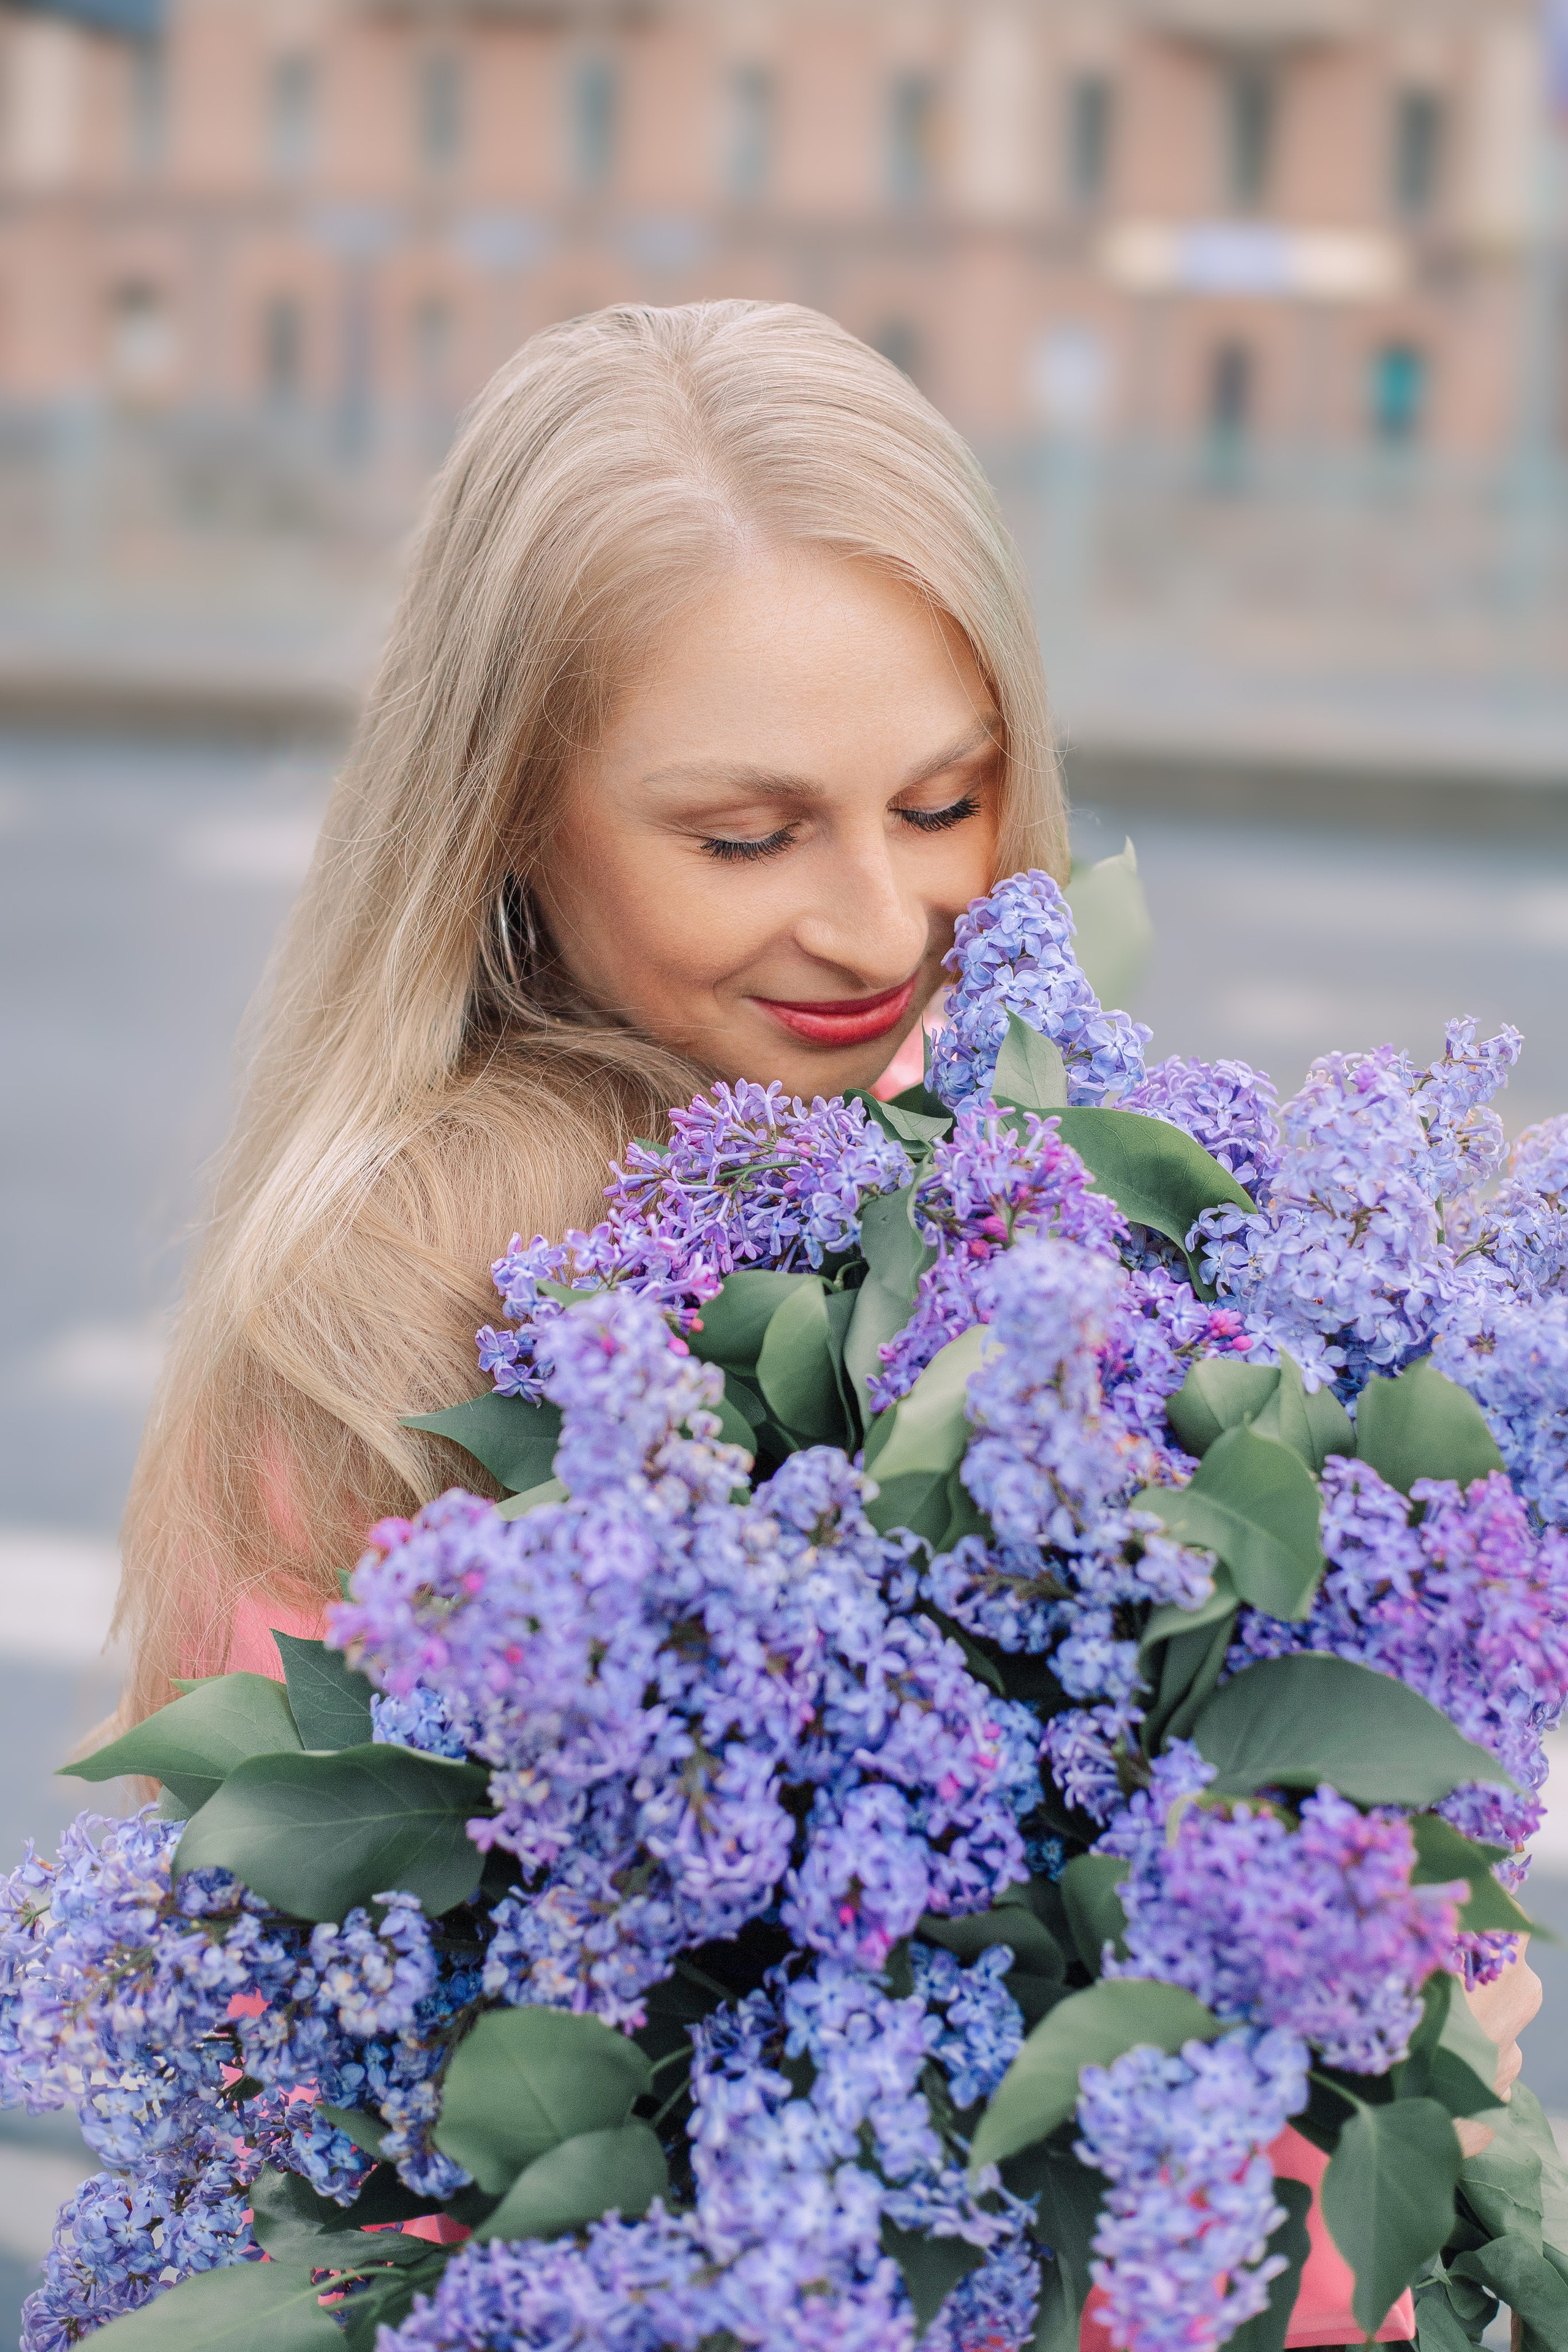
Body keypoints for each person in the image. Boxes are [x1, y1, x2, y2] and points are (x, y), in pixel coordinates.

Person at [110, 299, 1537, 2350]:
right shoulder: (408, 1327)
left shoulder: (1013, 1187)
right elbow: (475, 2232)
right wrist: (1417, 2056)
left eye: (947, 803)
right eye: (746, 836)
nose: (882, 928)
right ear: (507, 809)